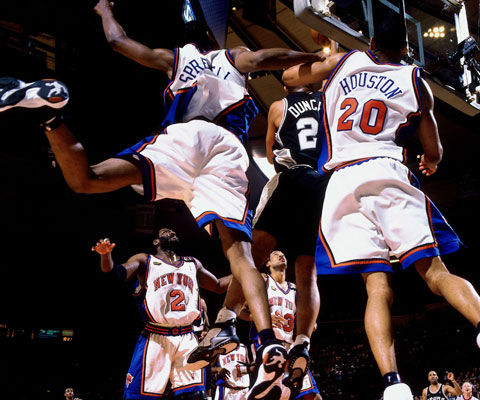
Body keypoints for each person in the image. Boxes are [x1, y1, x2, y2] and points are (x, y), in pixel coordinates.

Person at [0, 7, 322, 397]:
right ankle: (268, 341)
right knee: (240, 255)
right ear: (212, 40)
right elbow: (273, 56)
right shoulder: (233, 57)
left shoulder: (176, 58)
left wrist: (104, 9)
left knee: (88, 180)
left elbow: (118, 41)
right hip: (227, 149)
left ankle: (52, 118)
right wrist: (316, 57)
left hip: (186, 137)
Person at [281, 14, 480, 400]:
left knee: (376, 288)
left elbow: (289, 78)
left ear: (371, 42)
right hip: (387, 170)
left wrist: (323, 56)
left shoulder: (343, 62)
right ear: (405, 47)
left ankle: (393, 385)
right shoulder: (414, 79)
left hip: (342, 181)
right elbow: (435, 151)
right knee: (435, 272)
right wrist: (430, 162)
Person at [92, 228, 231, 399]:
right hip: (156, 336)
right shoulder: (145, 260)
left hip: (187, 337)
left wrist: (244, 273)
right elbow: (116, 274)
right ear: (156, 242)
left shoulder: (192, 263)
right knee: (138, 396)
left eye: (174, 232)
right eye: (166, 232)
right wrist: (106, 255)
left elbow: (217, 285)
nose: (172, 233)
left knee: (195, 395)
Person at [251, 84, 328, 391]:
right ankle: (303, 342)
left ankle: (225, 320)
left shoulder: (279, 106)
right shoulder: (327, 101)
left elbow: (271, 155)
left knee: (250, 256)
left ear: (285, 85)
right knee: (308, 272)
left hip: (291, 177)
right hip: (321, 183)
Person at [240, 251, 322, 400]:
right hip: (267, 344)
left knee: (312, 395)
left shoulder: (294, 289)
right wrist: (261, 317)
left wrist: (310, 325)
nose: (281, 256)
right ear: (268, 263)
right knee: (270, 394)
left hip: (291, 346)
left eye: (283, 254)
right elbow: (241, 310)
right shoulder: (263, 280)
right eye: (276, 254)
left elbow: (307, 317)